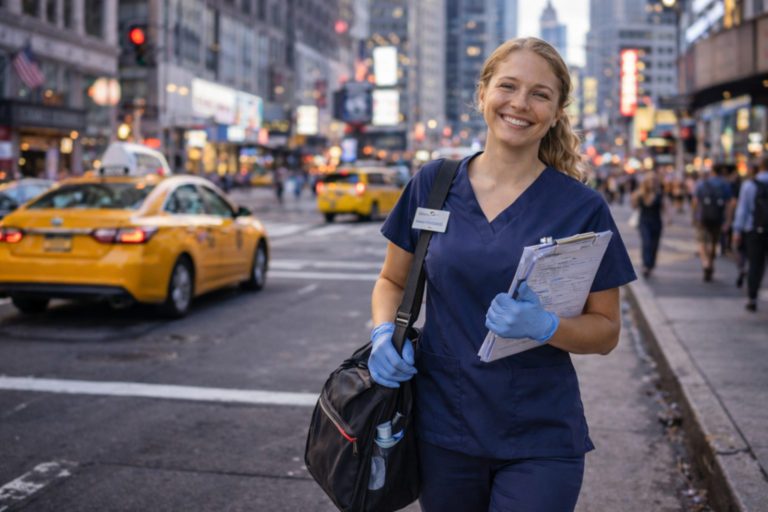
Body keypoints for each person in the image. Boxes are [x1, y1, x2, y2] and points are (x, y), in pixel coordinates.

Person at [368, 37, 636, 512]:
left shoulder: (582, 207)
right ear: (483, 93)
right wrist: (384, 332)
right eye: (508, 86)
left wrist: (548, 327)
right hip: (443, 427)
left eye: (540, 94)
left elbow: (607, 331)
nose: (520, 104)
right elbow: (392, 280)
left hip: (541, 434)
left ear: (556, 112)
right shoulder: (434, 184)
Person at [733, 156, 768, 312]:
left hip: (754, 230)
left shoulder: (749, 185)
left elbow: (743, 210)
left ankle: (752, 298)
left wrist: (737, 230)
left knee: (755, 265)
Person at [691, 164, 735, 281]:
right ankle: (711, 262)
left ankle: (705, 263)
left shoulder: (702, 183)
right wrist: (728, 220)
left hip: (703, 217)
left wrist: (694, 216)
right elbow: (730, 203)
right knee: (714, 242)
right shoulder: (725, 184)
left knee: (702, 241)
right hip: (718, 218)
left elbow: (695, 201)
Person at [631, 171, 665, 278]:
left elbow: (664, 207)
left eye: (654, 180)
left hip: (656, 222)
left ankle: (651, 265)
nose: (652, 182)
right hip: (644, 222)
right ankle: (646, 265)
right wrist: (634, 198)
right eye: (650, 180)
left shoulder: (659, 193)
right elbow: (634, 206)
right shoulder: (640, 193)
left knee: (654, 245)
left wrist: (669, 217)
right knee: (646, 242)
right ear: (646, 181)